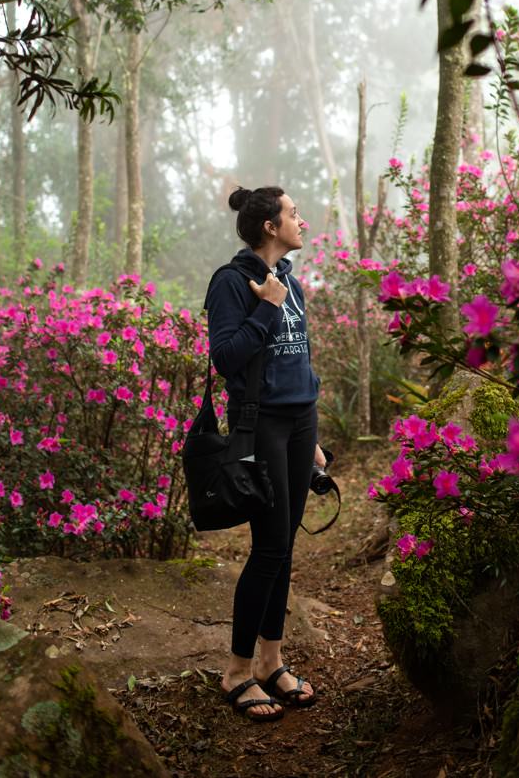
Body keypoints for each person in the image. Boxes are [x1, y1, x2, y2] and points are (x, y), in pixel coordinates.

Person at [206, 186, 325, 722]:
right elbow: (226, 358)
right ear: (271, 227)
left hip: (300, 422)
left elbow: (297, 354)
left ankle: (269, 663)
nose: (302, 219)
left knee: (285, 549)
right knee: (269, 549)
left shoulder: (291, 281)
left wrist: (313, 433)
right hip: (262, 427)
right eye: (293, 213)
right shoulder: (232, 282)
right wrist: (265, 309)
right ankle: (235, 670)